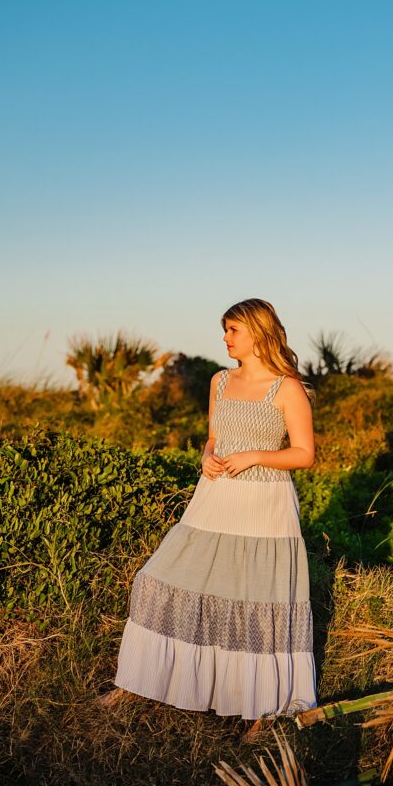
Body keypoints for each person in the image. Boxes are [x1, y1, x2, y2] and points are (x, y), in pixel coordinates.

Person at [99, 298, 317, 728]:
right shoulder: (219, 381)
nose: (225, 337)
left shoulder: (286, 387)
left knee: (259, 599)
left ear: (258, 332)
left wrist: (255, 455)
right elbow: (214, 437)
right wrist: (206, 456)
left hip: (265, 504)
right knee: (160, 578)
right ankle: (138, 679)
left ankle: (266, 705)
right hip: (214, 496)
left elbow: (305, 455)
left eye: (233, 329)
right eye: (225, 329)